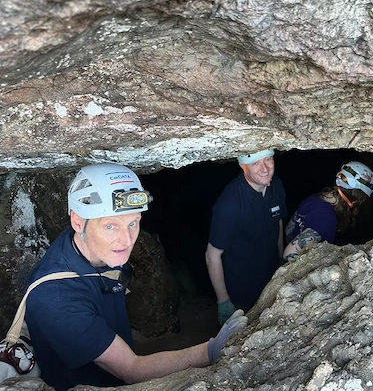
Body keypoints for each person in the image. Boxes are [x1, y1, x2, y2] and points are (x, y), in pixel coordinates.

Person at [24, 163, 247, 391]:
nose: (127, 240)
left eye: (133, 223)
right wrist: (212, 350)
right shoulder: (57, 300)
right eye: (111, 226)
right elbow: (131, 369)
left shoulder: (88, 243)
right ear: (77, 221)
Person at [205, 149, 286, 325]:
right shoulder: (230, 205)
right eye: (255, 163)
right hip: (242, 290)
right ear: (243, 167)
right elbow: (212, 256)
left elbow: (277, 223)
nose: (264, 169)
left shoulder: (276, 186)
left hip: (271, 279)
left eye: (268, 160)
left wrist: (280, 259)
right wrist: (224, 301)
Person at [283, 161, 373, 262]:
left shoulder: (316, 198)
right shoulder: (326, 219)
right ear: (358, 198)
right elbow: (289, 253)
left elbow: (289, 230)